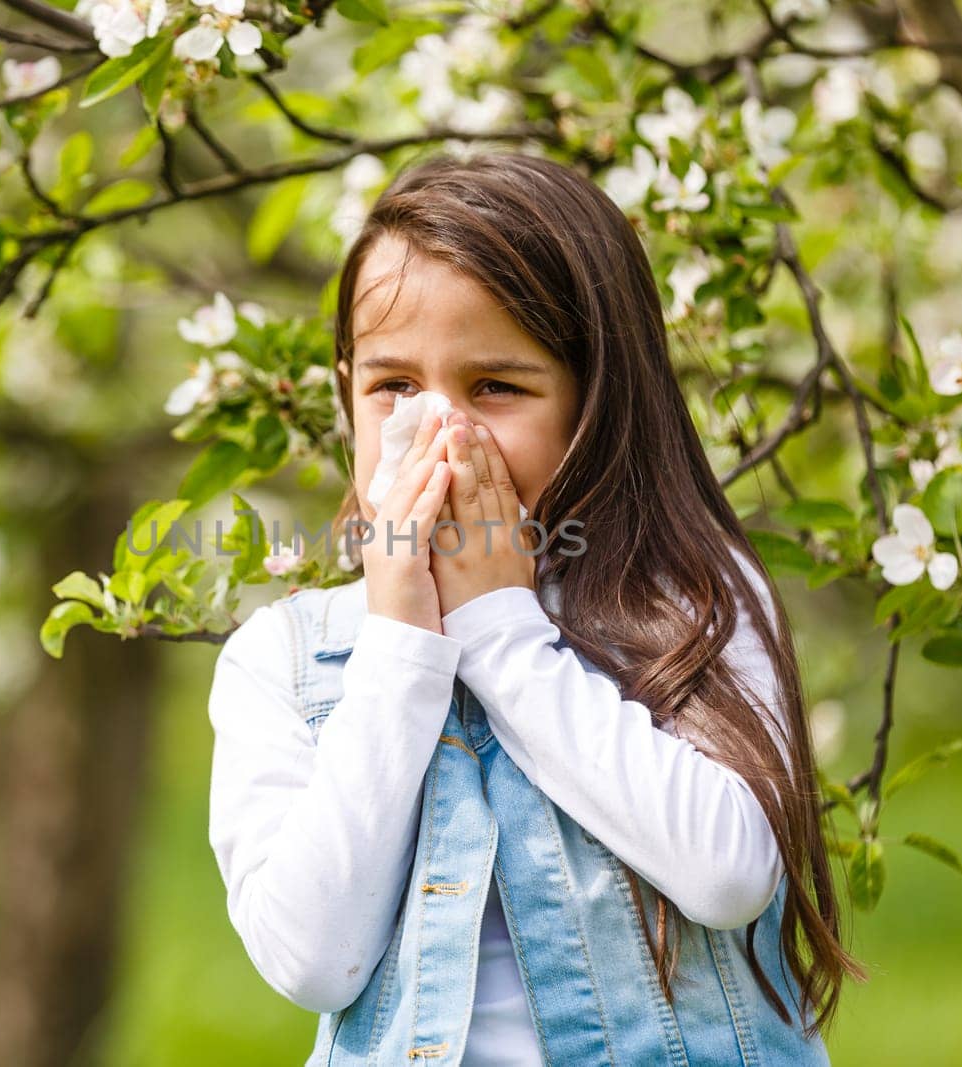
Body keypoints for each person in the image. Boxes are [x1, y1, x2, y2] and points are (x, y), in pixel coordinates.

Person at [206, 148, 865, 1065]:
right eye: (393, 385)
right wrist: (401, 636)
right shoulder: (281, 659)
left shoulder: (700, 605)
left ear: (596, 402)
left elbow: (727, 874)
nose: (435, 430)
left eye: (496, 388)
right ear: (347, 396)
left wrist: (499, 629)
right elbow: (312, 960)